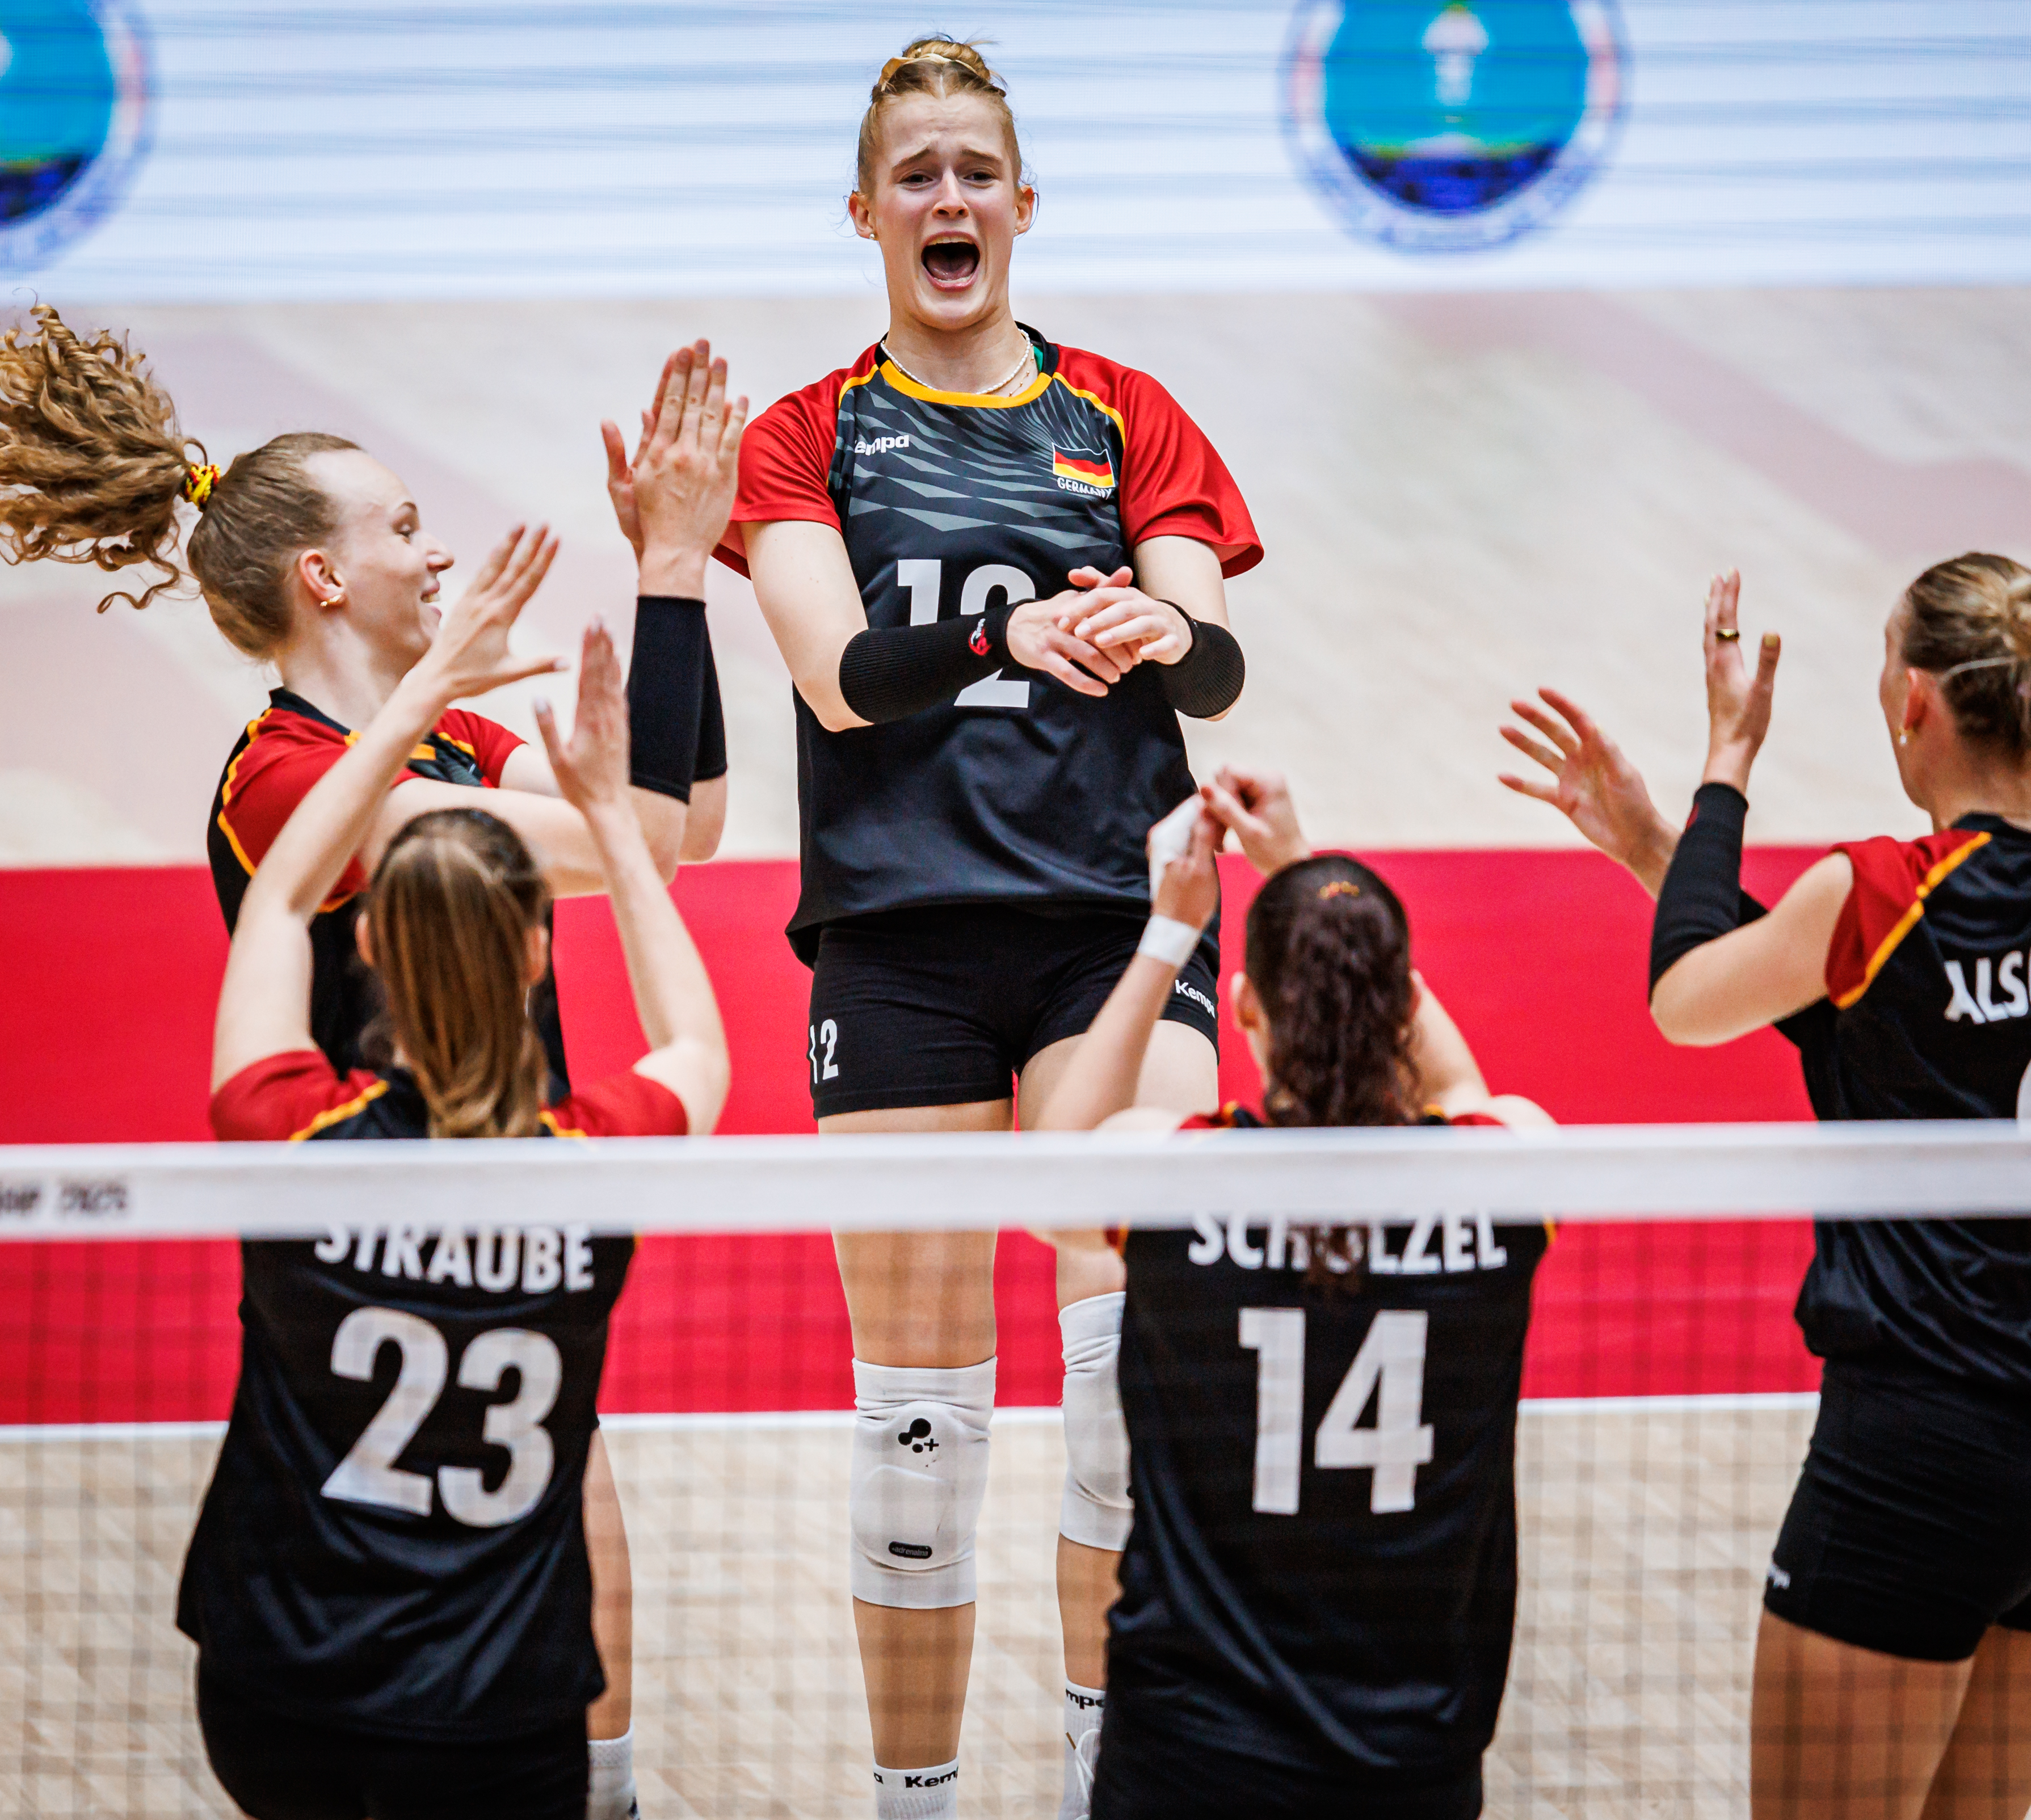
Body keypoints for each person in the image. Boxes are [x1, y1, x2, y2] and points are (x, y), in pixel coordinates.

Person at [0, 307, 747, 1818]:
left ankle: (598, 1792)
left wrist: (674, 572)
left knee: (577, 1512)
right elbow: (634, 845)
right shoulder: (283, 779)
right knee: (475, 1543)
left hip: (507, 1205)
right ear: (323, 577)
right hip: (375, 1214)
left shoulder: (455, 750)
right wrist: (667, 582)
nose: (438, 553)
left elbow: (674, 832)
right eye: (404, 528)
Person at [717, 37, 1258, 1818]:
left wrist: (1157, 631)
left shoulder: (1123, 410)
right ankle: (918, 1801)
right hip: (899, 939)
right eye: (916, 175)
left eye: (974, 172)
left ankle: (1112, 1774)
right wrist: (1002, 635)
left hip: (1114, 924)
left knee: (1123, 1377)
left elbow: (1215, 661)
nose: (947, 200)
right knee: (918, 1439)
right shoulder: (804, 433)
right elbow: (835, 674)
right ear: (865, 212)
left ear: (1022, 205)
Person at [1500, 559, 2031, 1820]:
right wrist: (1650, 847)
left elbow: (1689, 999)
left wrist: (1727, 760)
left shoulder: (1880, 889)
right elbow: (1872, 1004)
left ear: (1914, 698)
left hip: (1929, 1460)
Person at [183, 562, 726, 1818]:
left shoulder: (290, 1139)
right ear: (538, 954)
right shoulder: (588, 1167)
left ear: (367, 941)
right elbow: (695, 1046)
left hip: (284, 1691)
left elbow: (279, 902)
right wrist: (616, 826)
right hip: (494, 1710)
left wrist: (428, 689)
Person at [1032, 780, 1550, 1819]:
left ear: (1244, 1011)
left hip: (1187, 1758)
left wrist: (1166, 932)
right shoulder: (1504, 1177)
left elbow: (1049, 1177)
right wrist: (1302, 871)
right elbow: (1464, 1094)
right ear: (1405, 1005)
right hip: (1411, 1761)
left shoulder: (1180, 1178)